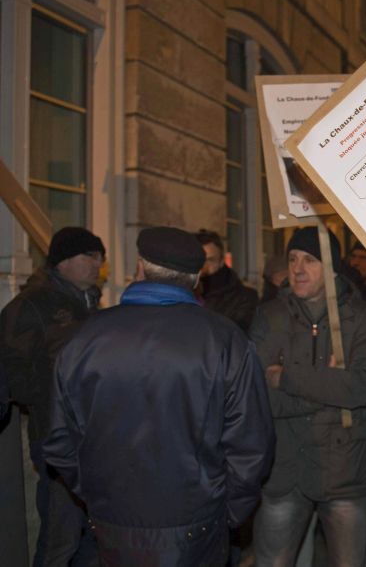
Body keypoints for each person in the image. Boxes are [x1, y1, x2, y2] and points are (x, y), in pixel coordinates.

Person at [44, 226, 274, 567]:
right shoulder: (225, 340)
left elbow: (60, 440)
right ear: (197, 278)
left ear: (139, 267)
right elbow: (251, 444)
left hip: (114, 520)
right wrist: (227, 511)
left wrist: (95, 493)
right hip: (195, 522)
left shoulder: (85, 338)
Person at [251, 227, 366, 567]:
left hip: (344, 468)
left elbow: (361, 388)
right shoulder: (270, 316)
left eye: (310, 260)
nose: (297, 268)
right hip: (285, 468)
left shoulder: (359, 316)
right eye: (293, 259)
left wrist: (288, 378)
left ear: (332, 267)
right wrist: (329, 387)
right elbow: (258, 396)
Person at [0, 226, 105, 567]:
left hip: (94, 435)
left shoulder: (90, 302)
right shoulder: (30, 305)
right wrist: (54, 396)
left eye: (100, 256)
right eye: (88, 255)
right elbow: (12, 372)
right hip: (56, 434)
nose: (97, 263)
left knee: (94, 536)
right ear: (62, 261)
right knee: (61, 535)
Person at [195, 229, 259, 333]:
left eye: (210, 260)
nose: (204, 266)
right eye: (199, 260)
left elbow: (235, 335)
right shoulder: (184, 291)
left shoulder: (244, 298)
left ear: (221, 261)